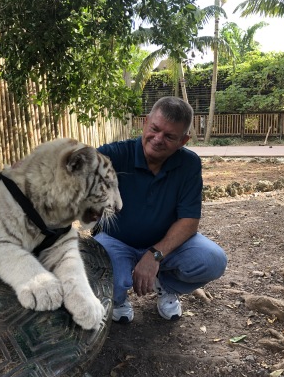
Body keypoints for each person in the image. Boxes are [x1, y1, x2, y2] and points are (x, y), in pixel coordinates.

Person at [94, 96, 227, 323]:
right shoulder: (114, 155)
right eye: (154, 129)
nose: (157, 139)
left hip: (165, 245)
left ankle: (164, 285)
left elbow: (189, 221)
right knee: (104, 277)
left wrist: (154, 255)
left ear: (183, 141)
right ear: (145, 122)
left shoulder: (189, 164)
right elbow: (72, 171)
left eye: (169, 136)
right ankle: (117, 300)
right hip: (116, 240)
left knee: (213, 260)